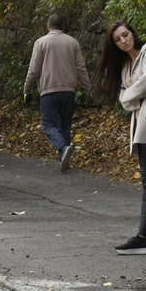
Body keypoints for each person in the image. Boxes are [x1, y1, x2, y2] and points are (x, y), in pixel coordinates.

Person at [92, 20, 146, 255]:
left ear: (133, 32)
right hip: (141, 129)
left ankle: (144, 237)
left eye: (126, 35)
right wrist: (135, 93)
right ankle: (143, 238)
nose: (123, 41)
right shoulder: (125, 68)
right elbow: (124, 101)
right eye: (118, 39)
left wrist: (133, 93)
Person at [23, 12, 92, 172]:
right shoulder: (73, 42)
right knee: (65, 125)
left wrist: (27, 89)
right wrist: (88, 89)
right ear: (63, 26)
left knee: (48, 125)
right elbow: (81, 68)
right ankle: (63, 159)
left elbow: (33, 69)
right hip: (69, 91)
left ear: (48, 25)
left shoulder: (41, 42)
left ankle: (62, 148)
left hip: (48, 90)